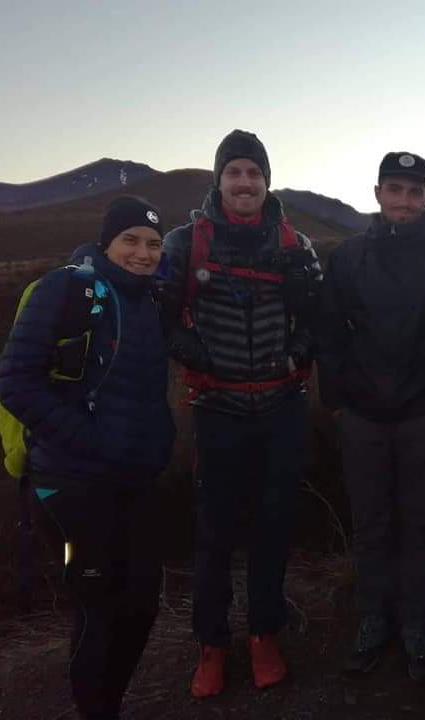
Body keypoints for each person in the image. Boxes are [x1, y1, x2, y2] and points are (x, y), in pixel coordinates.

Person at [0, 196, 175, 720]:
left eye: (153, 245)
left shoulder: (150, 302)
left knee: (141, 606)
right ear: (107, 242)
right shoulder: (64, 289)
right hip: (67, 489)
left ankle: (108, 704)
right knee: (96, 610)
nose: (142, 254)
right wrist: (92, 440)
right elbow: (15, 383)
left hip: (132, 483)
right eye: (131, 241)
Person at [159, 130, 322, 698]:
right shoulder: (185, 244)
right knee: (214, 533)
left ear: (266, 180)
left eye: (254, 172)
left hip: (282, 407)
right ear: (219, 180)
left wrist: (300, 351)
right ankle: (211, 644)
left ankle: (263, 634)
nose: (245, 182)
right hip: (216, 409)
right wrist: (189, 351)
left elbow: (318, 315)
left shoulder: (296, 244)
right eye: (235, 173)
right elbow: (160, 312)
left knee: (274, 527)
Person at [316, 152, 425, 680]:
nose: (404, 201)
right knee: (372, 526)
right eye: (395, 189)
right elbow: (330, 333)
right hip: (363, 418)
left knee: (423, 525)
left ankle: (418, 627)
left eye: (414, 191)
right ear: (378, 193)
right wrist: (337, 401)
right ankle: (374, 620)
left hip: (424, 416)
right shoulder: (349, 256)